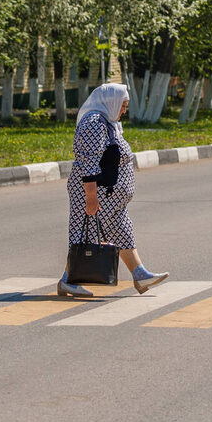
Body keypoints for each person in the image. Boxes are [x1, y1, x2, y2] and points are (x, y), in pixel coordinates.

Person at [58, 83, 169, 298]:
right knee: (86, 236)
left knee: (121, 230)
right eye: (123, 105)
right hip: (94, 193)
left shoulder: (108, 122)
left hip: (110, 196)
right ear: (111, 102)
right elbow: (88, 162)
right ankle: (67, 280)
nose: (124, 111)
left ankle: (140, 274)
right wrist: (91, 197)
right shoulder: (93, 123)